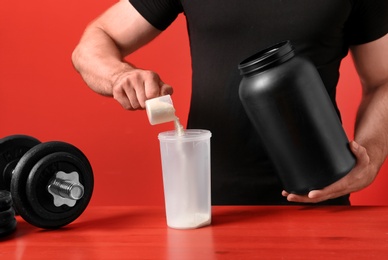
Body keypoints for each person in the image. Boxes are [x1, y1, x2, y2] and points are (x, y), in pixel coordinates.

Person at [72, 0, 388, 205]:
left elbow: (383, 81)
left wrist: (371, 156)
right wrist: (119, 77)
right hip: (211, 205)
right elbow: (96, 40)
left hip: (322, 192)